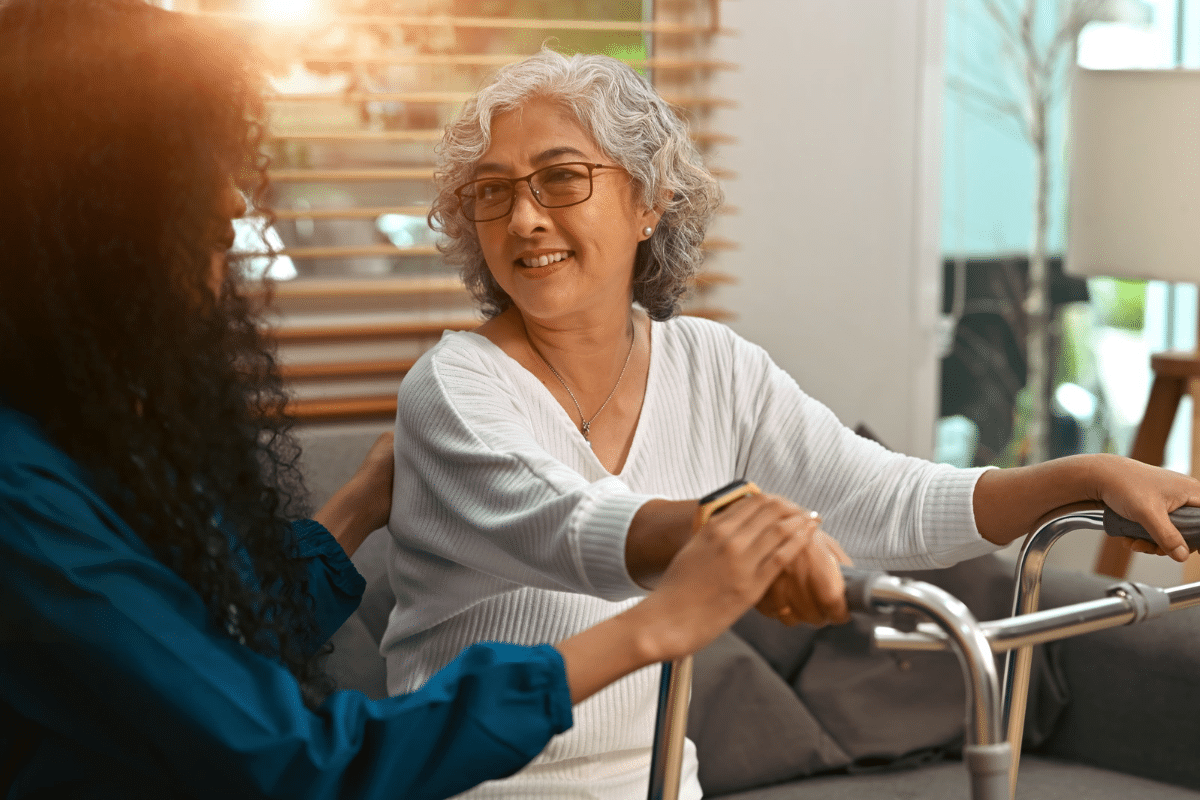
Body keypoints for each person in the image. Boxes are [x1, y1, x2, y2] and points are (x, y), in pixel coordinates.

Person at [0, 3, 821, 798]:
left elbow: (233, 636)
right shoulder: (22, 495)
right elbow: (304, 763)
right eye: (189, 188)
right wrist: (654, 627)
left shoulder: (92, 438)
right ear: (82, 212)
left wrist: (362, 500)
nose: (233, 207)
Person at [383, 47, 1200, 798]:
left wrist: (1077, 477)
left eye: (560, 178)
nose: (523, 217)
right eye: (493, 191)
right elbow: (572, 523)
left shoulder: (713, 365)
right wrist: (744, 533)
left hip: (661, 781)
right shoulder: (452, 389)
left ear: (648, 200)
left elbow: (884, 502)